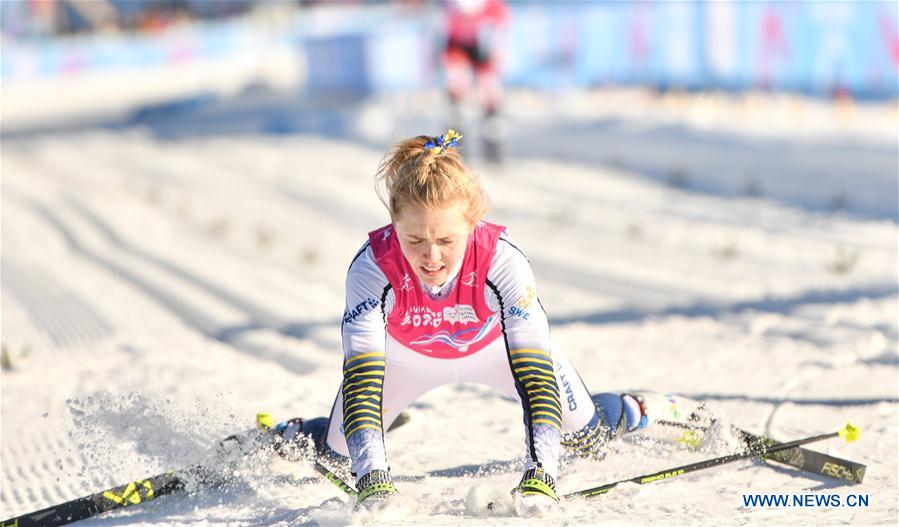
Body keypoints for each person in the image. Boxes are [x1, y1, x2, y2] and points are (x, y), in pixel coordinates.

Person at [287, 131, 677, 510]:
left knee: (587, 442)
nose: (431, 257)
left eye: (446, 241)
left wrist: (541, 475)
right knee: (338, 455)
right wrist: (372, 479)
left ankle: (639, 409)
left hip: (497, 353)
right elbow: (363, 378)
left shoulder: (503, 260)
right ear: (393, 224)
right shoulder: (371, 266)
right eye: (415, 241)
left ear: (471, 225)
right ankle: (290, 433)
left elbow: (536, 375)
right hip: (405, 361)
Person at [442, 0, 509, 163]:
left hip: (484, 45)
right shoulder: (450, 9)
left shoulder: (494, 9)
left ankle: (493, 145)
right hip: (458, 44)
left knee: (490, 96)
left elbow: (501, 32)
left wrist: (496, 51)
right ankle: (454, 148)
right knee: (455, 98)